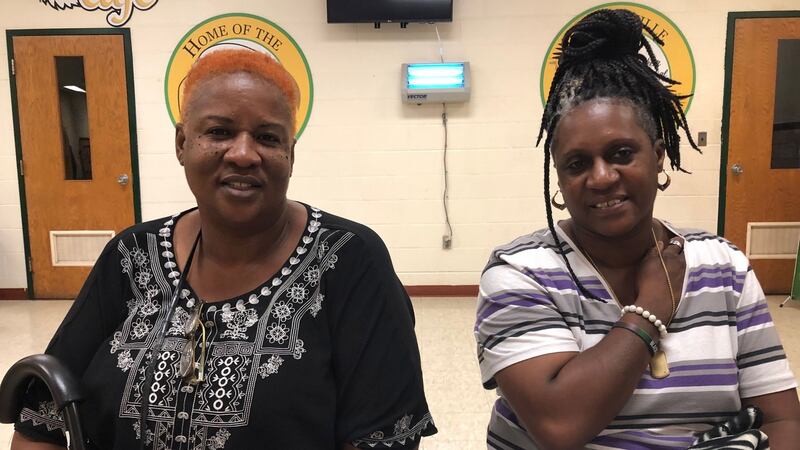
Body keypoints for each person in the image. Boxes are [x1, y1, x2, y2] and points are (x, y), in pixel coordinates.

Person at [12, 48, 436, 450]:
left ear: (290, 154)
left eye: (268, 138)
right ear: (182, 143)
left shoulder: (349, 261)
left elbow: (383, 436)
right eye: (219, 132)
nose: (244, 153)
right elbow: (41, 413)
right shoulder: (132, 255)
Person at [474, 8, 800, 450]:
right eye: (577, 163)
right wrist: (650, 307)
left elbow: (783, 419)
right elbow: (559, 425)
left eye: (622, 152)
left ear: (658, 156)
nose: (602, 176)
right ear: (559, 177)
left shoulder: (724, 265)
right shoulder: (520, 273)